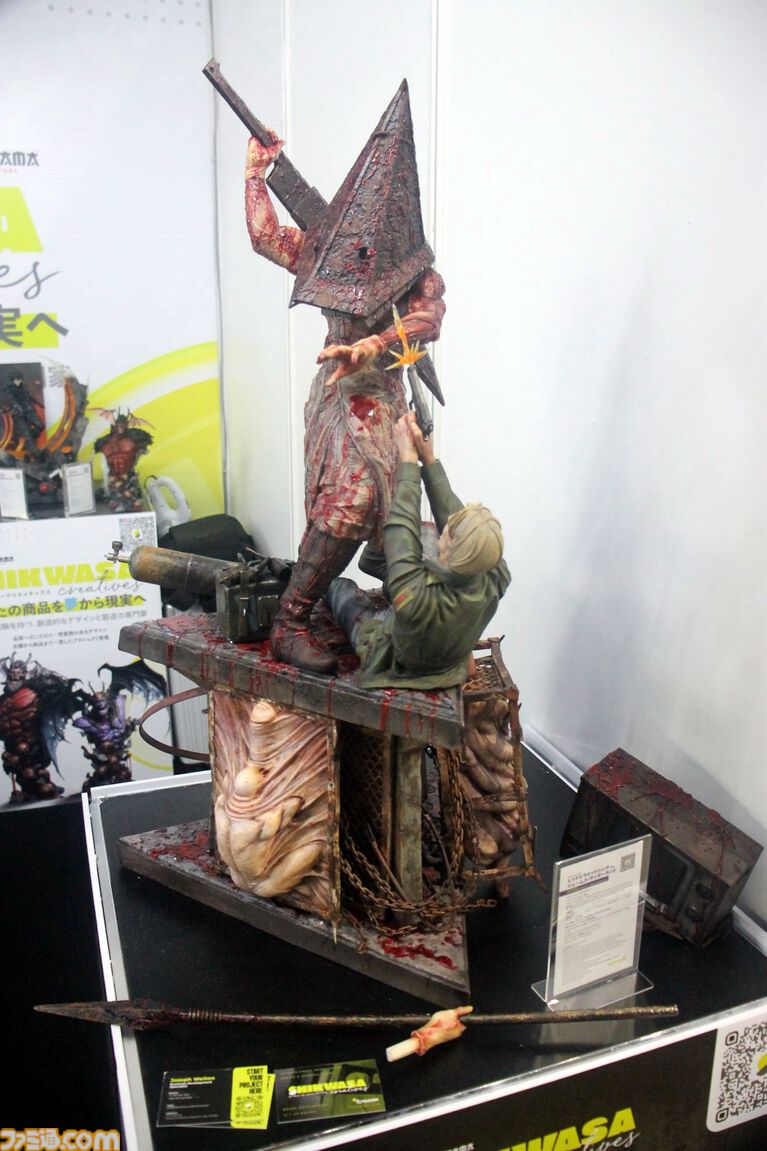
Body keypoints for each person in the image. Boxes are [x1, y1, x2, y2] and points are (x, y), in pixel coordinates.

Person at [244, 105, 445, 675]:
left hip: (385, 398)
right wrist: (255, 174)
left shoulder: (416, 270)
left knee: (404, 517)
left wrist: (376, 342)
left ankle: (388, 587)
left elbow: (428, 320)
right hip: (339, 396)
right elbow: (266, 236)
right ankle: (291, 620)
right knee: (347, 503)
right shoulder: (332, 249)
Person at [327, 413, 509, 690]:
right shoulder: (495, 576)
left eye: (447, 534)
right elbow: (456, 521)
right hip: (446, 646)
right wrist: (429, 459)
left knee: (340, 588)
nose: (443, 530)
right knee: (422, 539)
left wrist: (408, 463)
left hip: (400, 659)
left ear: (452, 548)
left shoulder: (418, 597)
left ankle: (352, 602)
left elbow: (399, 531)